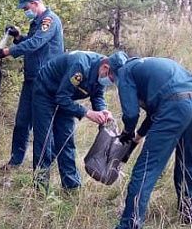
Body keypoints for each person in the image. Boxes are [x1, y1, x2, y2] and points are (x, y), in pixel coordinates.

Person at [107, 56, 192, 229]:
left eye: (111, 78)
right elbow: (155, 112)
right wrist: (137, 138)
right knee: (188, 162)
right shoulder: (145, 67)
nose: (112, 81)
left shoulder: (125, 71)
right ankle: (190, 214)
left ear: (113, 72)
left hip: (175, 107)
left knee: (145, 169)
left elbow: (131, 114)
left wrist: (127, 133)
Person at [29, 51, 126, 191]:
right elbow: (61, 97)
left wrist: (103, 111)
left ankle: (71, 186)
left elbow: (97, 95)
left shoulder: (101, 72)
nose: (111, 82)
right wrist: (87, 113)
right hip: (46, 93)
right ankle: (40, 187)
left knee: (66, 140)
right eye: (112, 78)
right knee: (44, 141)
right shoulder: (80, 66)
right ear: (105, 67)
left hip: (66, 97)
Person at [0, 0, 65, 170]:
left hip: (46, 81)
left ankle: (47, 163)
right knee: (22, 122)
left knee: (44, 125)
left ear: (35, 3)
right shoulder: (36, 23)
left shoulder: (49, 20)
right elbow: (30, 42)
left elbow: (35, 43)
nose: (25, 11)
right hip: (31, 79)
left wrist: (7, 51)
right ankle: (15, 161)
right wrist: (17, 36)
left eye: (26, 8)